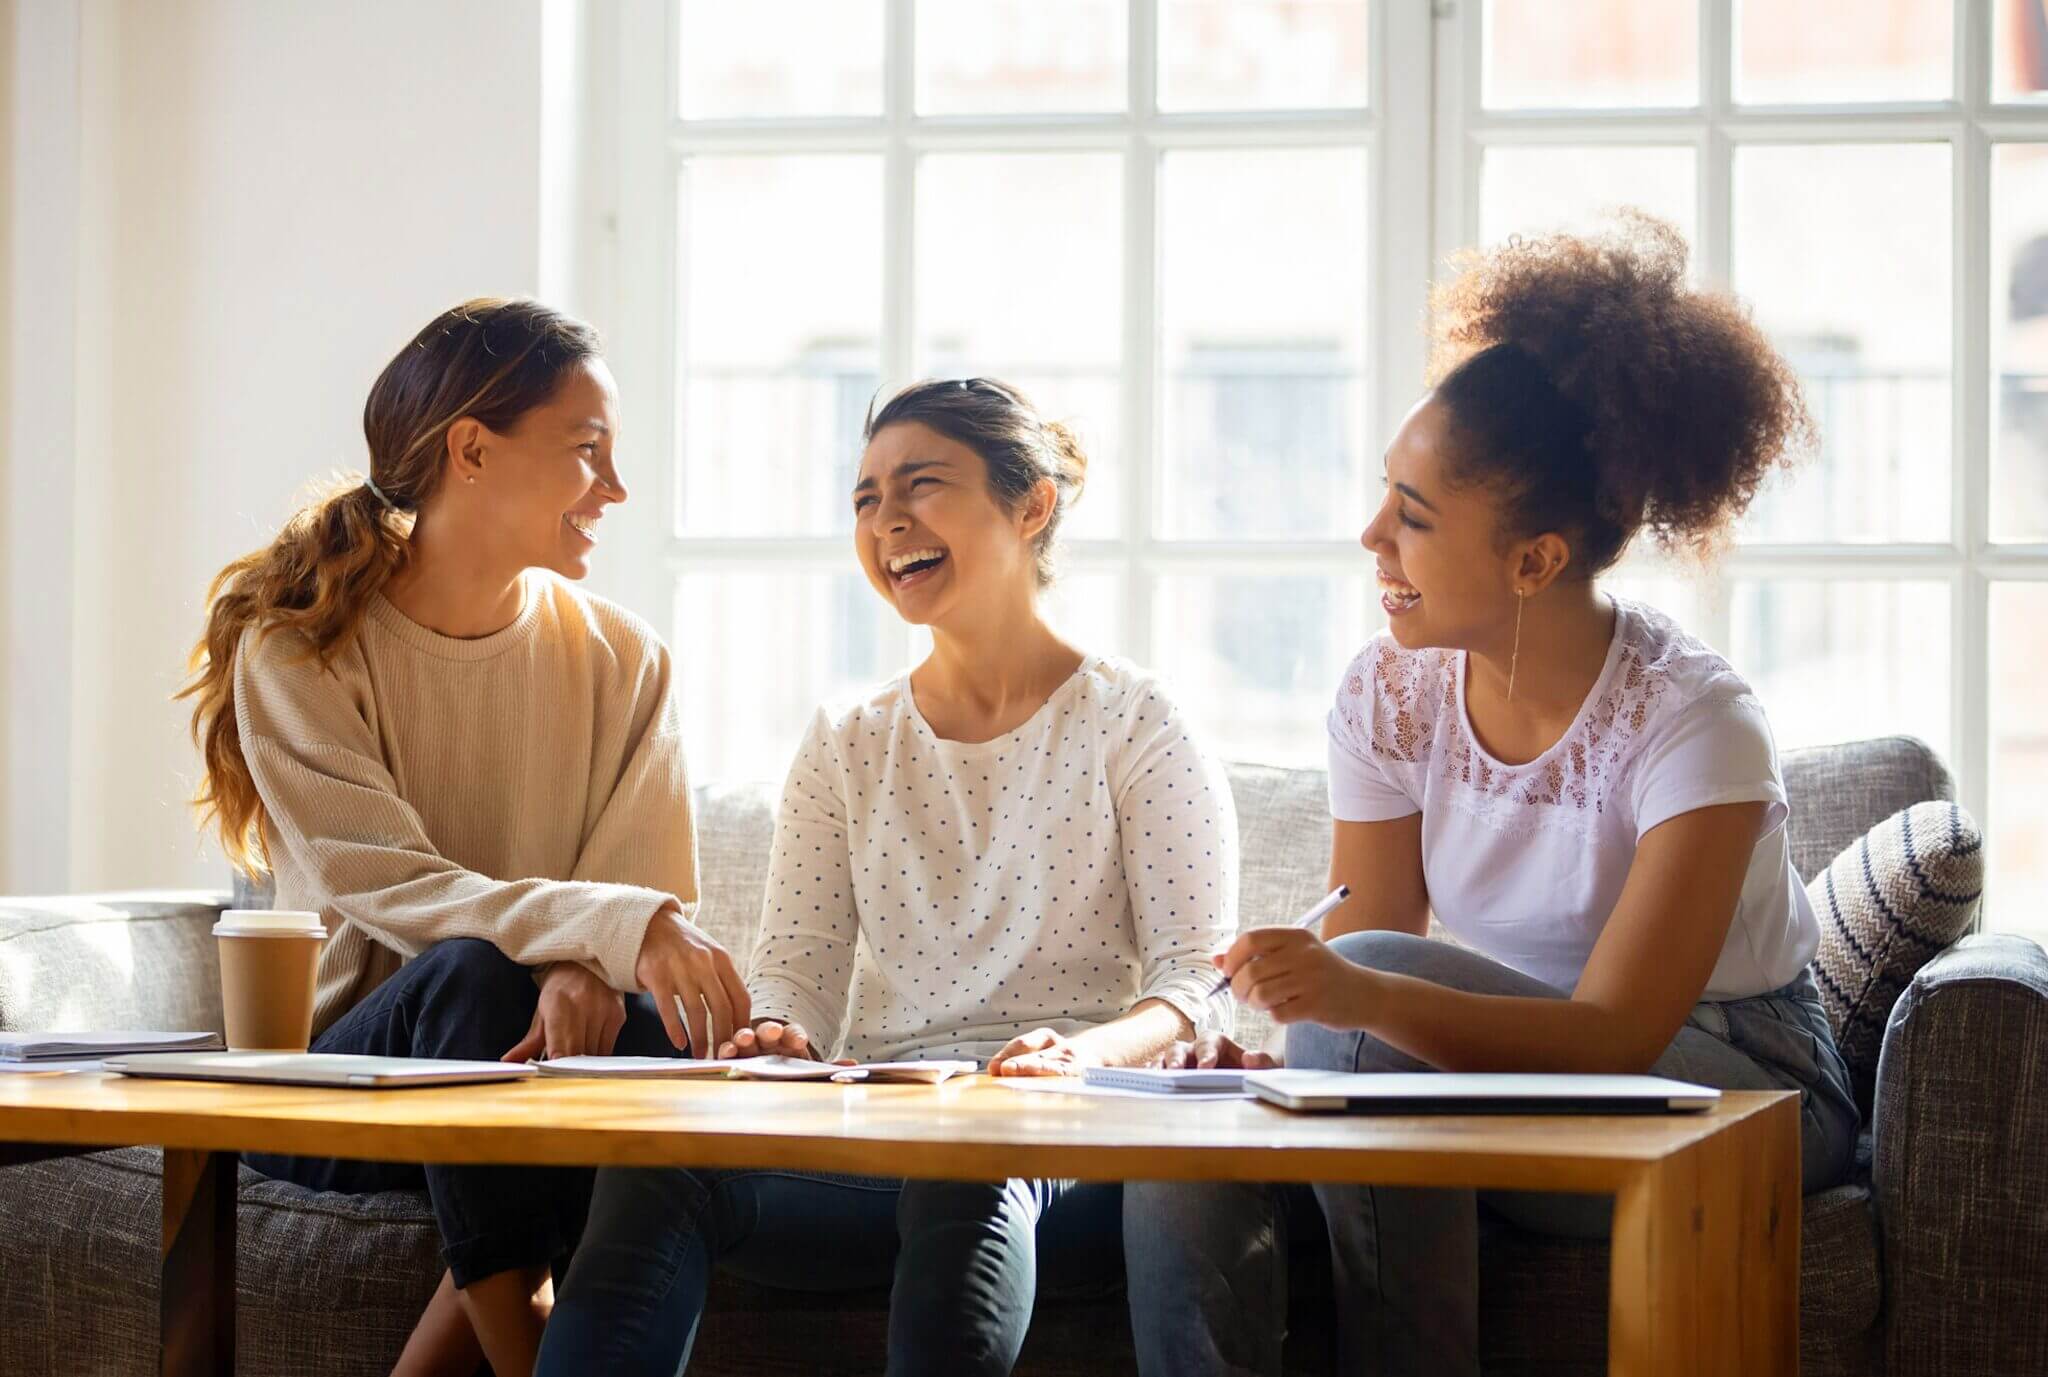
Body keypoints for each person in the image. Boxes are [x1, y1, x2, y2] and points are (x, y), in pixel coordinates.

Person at [1122, 213, 1863, 1377]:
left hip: (1735, 1092)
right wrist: (1285, 1051)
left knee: (1369, 1002)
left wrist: (1343, 1004)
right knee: (1190, 1155)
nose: (1370, 537)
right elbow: (1361, 954)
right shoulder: (1388, 696)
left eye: (1412, 519)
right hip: (1496, 1079)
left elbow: (1611, 1034)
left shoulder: (1692, 721)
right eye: (1385, 497)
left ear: (1535, 561)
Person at [536, 377, 1241, 1377]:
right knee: (663, 1158)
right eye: (865, 498)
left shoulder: (1133, 722)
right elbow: (798, 967)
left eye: (922, 484)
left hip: (1065, 1150)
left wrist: (1077, 1060)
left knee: (970, 1154)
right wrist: (777, 1037)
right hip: (876, 1136)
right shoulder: (848, 741)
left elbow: (1194, 980)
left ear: (1029, 504)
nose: (886, 521)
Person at [179, 298, 749, 1377]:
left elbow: (640, 896)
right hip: (342, 1090)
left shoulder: (626, 659)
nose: (616, 491)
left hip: (538, 1066)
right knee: (470, 977)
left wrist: (583, 962)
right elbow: (387, 883)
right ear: (472, 451)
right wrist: (578, 942)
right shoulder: (298, 649)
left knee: (666, 1037)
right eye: (589, 453)